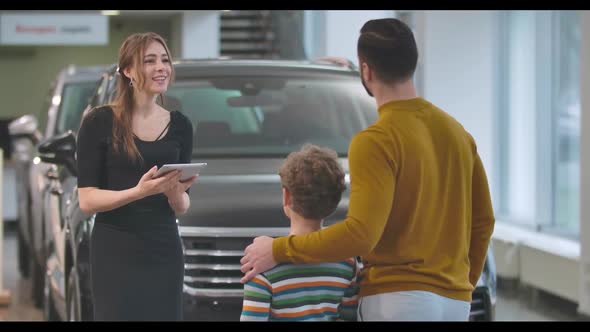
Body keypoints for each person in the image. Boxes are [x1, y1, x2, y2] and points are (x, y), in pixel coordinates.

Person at [239, 18, 495, 321]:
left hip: (398, 301)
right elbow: (483, 222)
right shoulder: (458, 133)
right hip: (454, 303)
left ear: (366, 71)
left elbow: (361, 235)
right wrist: (462, 285)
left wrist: (279, 250)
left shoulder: (376, 140)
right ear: (413, 63)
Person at [76, 32, 196, 321]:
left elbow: (182, 207)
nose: (161, 68)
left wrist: (175, 192)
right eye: (150, 61)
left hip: (163, 247)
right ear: (128, 71)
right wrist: (138, 192)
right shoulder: (99, 122)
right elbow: (87, 200)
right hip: (115, 248)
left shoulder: (180, 126)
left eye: (165, 60)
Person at [240, 144, 359, 321]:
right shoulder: (347, 263)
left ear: (286, 196)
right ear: (334, 203)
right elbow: (349, 316)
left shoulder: (262, 266)